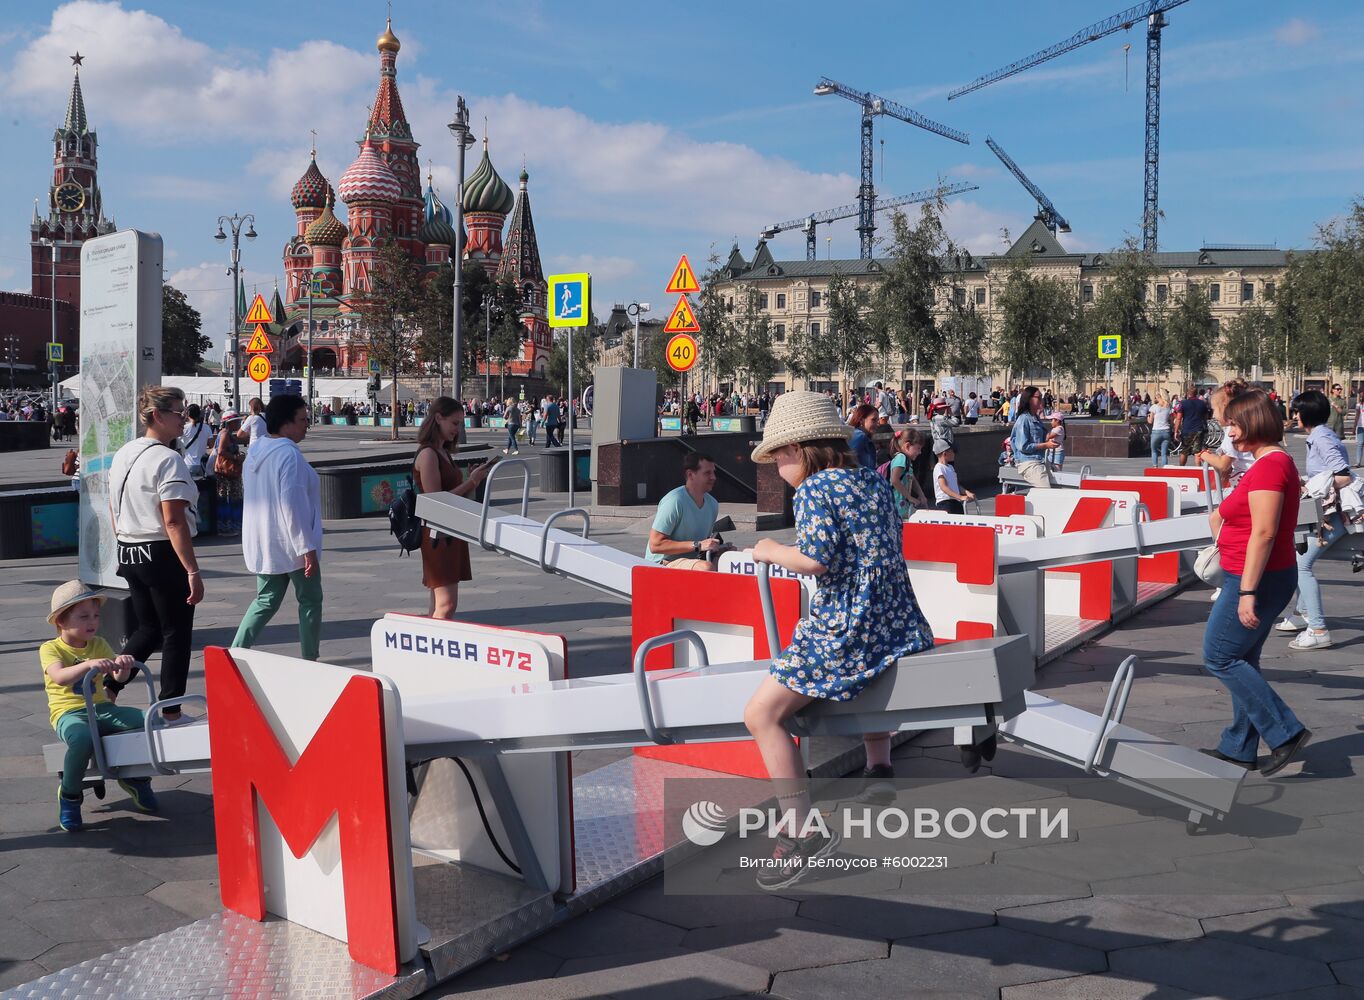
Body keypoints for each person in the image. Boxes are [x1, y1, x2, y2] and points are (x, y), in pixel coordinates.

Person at [742, 391, 934, 889]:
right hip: (897, 620)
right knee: (862, 688)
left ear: (802, 449)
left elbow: (815, 560)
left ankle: (802, 831)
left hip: (849, 626)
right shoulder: (869, 480)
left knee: (761, 714)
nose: (777, 466)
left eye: (779, 454)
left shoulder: (814, 490)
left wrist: (768, 549)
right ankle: (879, 765)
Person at [1201, 389, 1312, 774]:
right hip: (1260, 575)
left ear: (1249, 424)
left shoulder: (1269, 466)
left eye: (1232, 424)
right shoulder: (1269, 462)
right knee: (1243, 658)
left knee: (1219, 655)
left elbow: (1263, 533)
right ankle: (1238, 747)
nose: (1227, 432)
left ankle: (1285, 732)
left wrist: (1247, 592)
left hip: (1256, 579)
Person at [108, 386, 202, 724]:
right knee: (176, 632)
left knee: (148, 628)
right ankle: (171, 711)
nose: (185, 419)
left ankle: (109, 687)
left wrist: (123, 534)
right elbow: (173, 520)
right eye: (179, 412)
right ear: (158, 416)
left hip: (129, 549)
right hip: (160, 551)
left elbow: (112, 503)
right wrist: (192, 570)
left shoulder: (125, 452)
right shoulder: (167, 458)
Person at [42, 581, 159, 832]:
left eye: (95, 615)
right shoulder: (51, 649)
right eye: (83, 616)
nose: (92, 622)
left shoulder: (99, 644)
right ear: (61, 622)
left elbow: (118, 678)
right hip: (69, 712)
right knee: (82, 738)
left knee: (149, 721)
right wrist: (88, 665)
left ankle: (135, 777)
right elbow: (59, 677)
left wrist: (124, 665)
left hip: (102, 708)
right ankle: (70, 796)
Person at [230, 395, 325, 660]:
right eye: (303, 420)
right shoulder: (288, 455)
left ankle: (236, 652)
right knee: (310, 600)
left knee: (266, 599)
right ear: (286, 423)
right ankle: (310, 657)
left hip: (264, 539)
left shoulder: (255, 452)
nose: (307, 425)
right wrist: (306, 547)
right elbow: (291, 502)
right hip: (292, 541)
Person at [1274, 390, 1354, 650]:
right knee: (1300, 559)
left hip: (1334, 514)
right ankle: (1301, 614)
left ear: (1306, 413)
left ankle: (1317, 627)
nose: (1294, 415)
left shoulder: (1321, 438)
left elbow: (1343, 476)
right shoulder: (1319, 436)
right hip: (1329, 512)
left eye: (1297, 411)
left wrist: (1314, 486)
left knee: (1301, 565)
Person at [413, 398, 495, 618]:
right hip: (437, 536)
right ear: (438, 418)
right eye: (455, 423)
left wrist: (469, 479)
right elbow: (436, 502)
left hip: (449, 532)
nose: (458, 430)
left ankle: (430, 648)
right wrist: (471, 482)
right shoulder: (428, 454)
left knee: (439, 604)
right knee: (446, 605)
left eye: (461, 424)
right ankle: (432, 647)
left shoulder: (443, 452)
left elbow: (451, 496)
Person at [646, 452, 721, 571]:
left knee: (731, 558)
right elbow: (655, 545)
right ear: (690, 474)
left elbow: (704, 543)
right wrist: (698, 545)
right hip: (662, 564)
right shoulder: (674, 501)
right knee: (705, 568)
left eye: (713, 472)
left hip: (693, 559)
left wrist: (719, 548)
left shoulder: (713, 504)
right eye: (707, 473)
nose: (713, 477)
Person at [1197, 380, 1253, 488]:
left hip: (1247, 481)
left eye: (1214, 410)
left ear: (1224, 406)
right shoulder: (1244, 424)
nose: (1213, 415)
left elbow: (1223, 464)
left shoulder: (1232, 430)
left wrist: (1202, 454)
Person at [1008, 386, 1058, 489]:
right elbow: (1023, 446)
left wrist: (1051, 438)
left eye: (1041, 397)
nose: (1041, 400)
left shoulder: (1035, 417)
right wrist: (1045, 445)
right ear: (1029, 399)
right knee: (1046, 491)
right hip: (1029, 463)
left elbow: (1039, 438)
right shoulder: (1024, 419)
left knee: (1058, 486)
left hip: (1040, 460)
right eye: (1038, 397)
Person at [210, 411, 244, 536]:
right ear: (230, 422)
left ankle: (227, 525)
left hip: (226, 472)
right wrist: (236, 457)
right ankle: (228, 526)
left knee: (226, 498)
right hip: (226, 473)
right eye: (237, 421)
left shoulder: (225, 433)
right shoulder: (225, 434)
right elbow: (221, 451)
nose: (239, 423)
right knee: (229, 498)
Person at [889, 428, 928, 518]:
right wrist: (909, 497)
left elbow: (913, 479)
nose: (920, 452)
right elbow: (894, 480)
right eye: (918, 448)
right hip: (896, 505)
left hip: (901, 505)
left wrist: (921, 495)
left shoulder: (907, 461)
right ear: (907, 446)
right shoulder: (901, 458)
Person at [1173, 384, 1210, 466]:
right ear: (1196, 393)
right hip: (1199, 429)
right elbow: (1206, 417)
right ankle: (1198, 470)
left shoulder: (1182, 403)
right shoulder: (1202, 403)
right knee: (1198, 451)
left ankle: (1181, 468)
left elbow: (1179, 418)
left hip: (1187, 429)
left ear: (1187, 393)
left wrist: (1176, 431)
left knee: (1184, 450)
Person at [932, 440, 974, 513]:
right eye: (952, 451)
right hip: (945, 503)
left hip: (955, 501)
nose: (954, 453)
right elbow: (944, 487)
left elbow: (957, 485)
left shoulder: (950, 467)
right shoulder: (939, 468)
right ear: (945, 453)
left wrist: (967, 492)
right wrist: (960, 497)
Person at [179, 403, 211, 477]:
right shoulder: (206, 428)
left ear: (188, 414)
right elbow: (212, 447)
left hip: (188, 464)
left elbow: (176, 443)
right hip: (202, 465)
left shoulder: (185, 428)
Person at [847, 403, 879, 471]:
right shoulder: (859, 436)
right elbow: (848, 461)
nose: (877, 424)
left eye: (877, 420)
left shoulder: (855, 434)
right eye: (873, 420)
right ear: (861, 420)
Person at [1148, 391, 1173, 467]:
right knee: (1164, 453)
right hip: (1166, 431)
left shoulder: (1154, 407)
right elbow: (1171, 420)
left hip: (1156, 432)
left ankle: (1155, 467)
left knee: (1154, 451)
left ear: (1158, 397)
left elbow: (1150, 421)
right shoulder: (1168, 406)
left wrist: (1148, 418)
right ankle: (1165, 468)